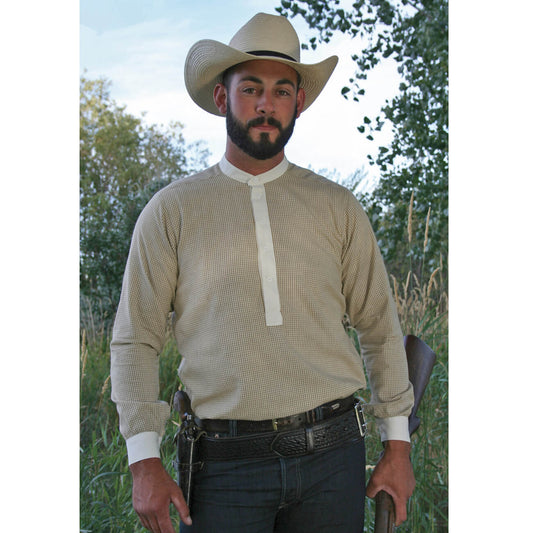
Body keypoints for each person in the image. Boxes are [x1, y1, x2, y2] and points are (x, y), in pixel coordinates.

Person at [110, 12, 415, 533]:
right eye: (250, 88)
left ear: (298, 102)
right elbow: (135, 339)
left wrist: (397, 446)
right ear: (222, 99)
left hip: (333, 457)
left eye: (280, 90)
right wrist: (144, 458)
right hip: (221, 468)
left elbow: (380, 328)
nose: (265, 104)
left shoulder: (338, 207)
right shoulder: (171, 211)